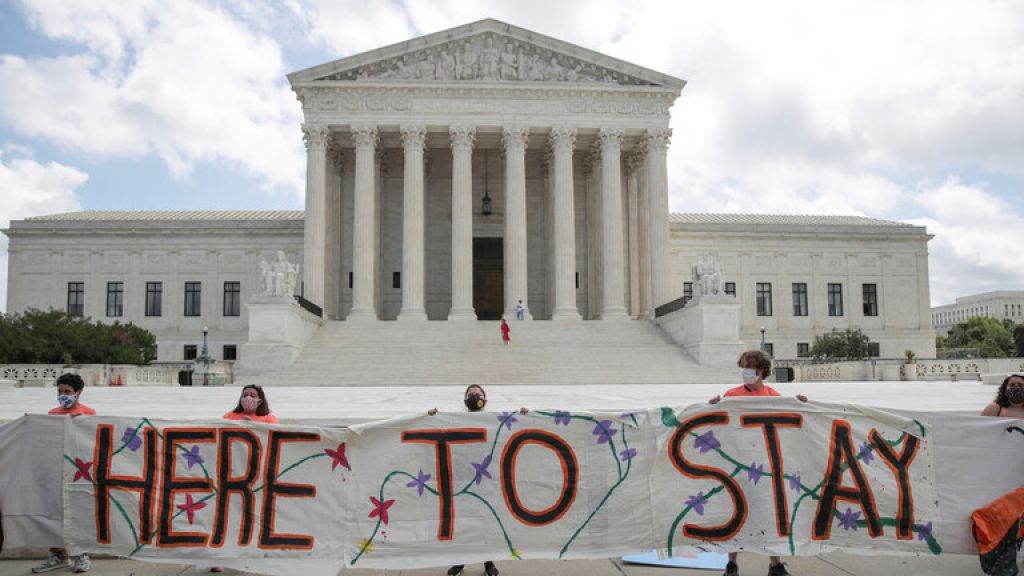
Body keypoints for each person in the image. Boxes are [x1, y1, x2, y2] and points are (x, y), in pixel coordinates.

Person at [708, 350, 807, 576]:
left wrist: (801, 405)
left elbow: (790, 418)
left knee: (769, 512)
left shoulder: (773, 396)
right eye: (743, 367)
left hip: (765, 464)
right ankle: (732, 564)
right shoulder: (732, 395)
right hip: (739, 463)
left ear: (761, 370)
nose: (744, 371)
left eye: (748, 367)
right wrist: (711, 406)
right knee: (735, 512)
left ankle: (775, 564)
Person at [428, 385, 527, 576]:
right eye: (470, 394)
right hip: (462, 480)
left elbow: (510, 430)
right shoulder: (456, 419)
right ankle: (460, 562)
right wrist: (431, 416)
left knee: (485, 524)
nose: (474, 396)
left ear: (484, 398)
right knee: (463, 524)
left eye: (477, 394)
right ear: (465, 399)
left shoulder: (492, 419)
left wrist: (524, 415)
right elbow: (437, 429)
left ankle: (488, 563)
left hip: (486, 481)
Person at [34, 373, 93, 573]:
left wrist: (81, 422)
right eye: (60, 391)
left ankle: (81, 554)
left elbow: (93, 441)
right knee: (54, 513)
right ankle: (58, 554)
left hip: (79, 473)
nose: (63, 395)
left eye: (67, 391)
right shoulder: (52, 413)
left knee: (78, 513)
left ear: (78, 392)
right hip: (56, 471)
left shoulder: (89, 413)